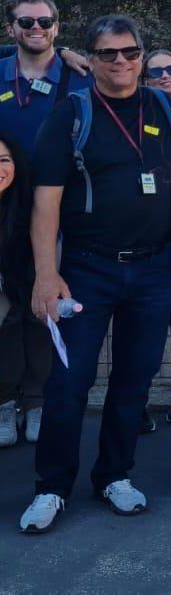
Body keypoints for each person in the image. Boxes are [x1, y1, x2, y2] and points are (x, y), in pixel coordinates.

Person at [19, 15, 171, 533]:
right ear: (91, 59)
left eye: (130, 52)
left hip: (153, 270)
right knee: (69, 381)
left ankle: (115, 474)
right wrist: (47, 275)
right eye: (108, 53)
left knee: (135, 379)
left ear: (141, 55)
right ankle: (51, 487)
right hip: (88, 269)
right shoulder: (71, 113)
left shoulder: (162, 107)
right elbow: (45, 204)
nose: (120, 62)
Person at [0, 0, 91, 448]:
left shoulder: (77, 77)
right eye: (26, 22)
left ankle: (37, 400)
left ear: (57, 25)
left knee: (44, 304)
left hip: (56, 207)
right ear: (10, 28)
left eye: (45, 21)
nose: (36, 28)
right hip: (4, 208)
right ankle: (4, 401)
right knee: (4, 310)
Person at [141, 48, 171, 427]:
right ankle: (136, 403)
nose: (166, 76)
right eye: (156, 71)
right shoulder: (139, 115)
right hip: (148, 238)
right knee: (144, 329)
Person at [0, 134, 34, 448]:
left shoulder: (29, 204)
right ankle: (5, 404)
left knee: (39, 319)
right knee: (5, 321)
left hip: (29, 279)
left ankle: (37, 403)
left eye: (4, 160)